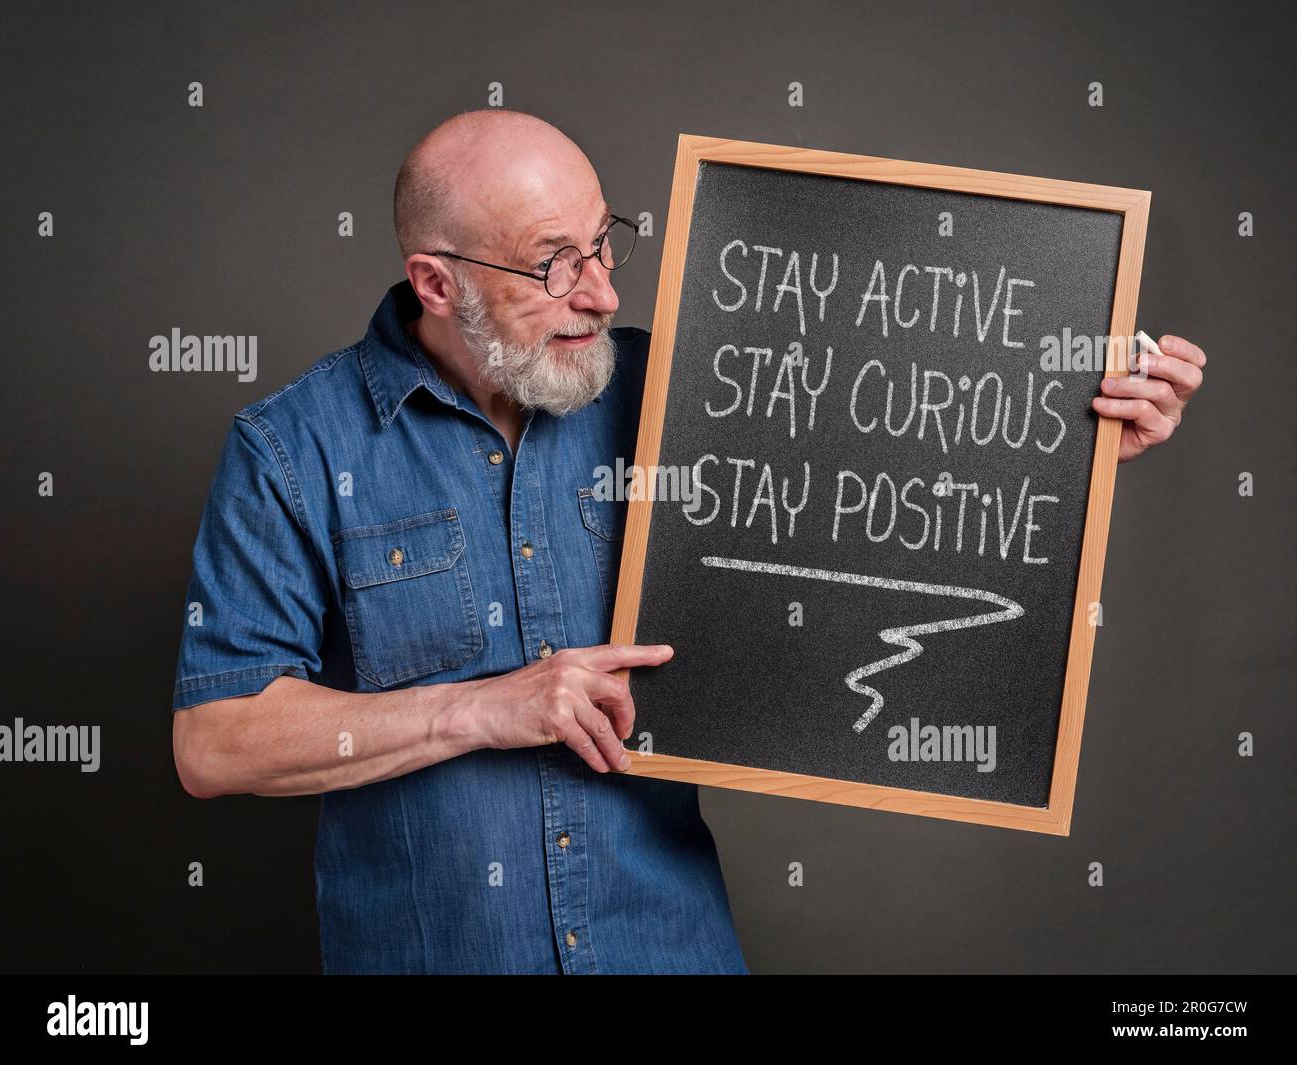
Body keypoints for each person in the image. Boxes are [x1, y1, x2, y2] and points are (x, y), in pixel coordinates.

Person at [170, 107, 1206, 974]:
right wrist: (483, 708)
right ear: (437, 283)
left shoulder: (681, 395)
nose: (604, 291)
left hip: (668, 952)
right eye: (551, 264)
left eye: (603, 242)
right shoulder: (291, 449)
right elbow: (214, 742)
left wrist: (1072, 441)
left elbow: (882, 508)